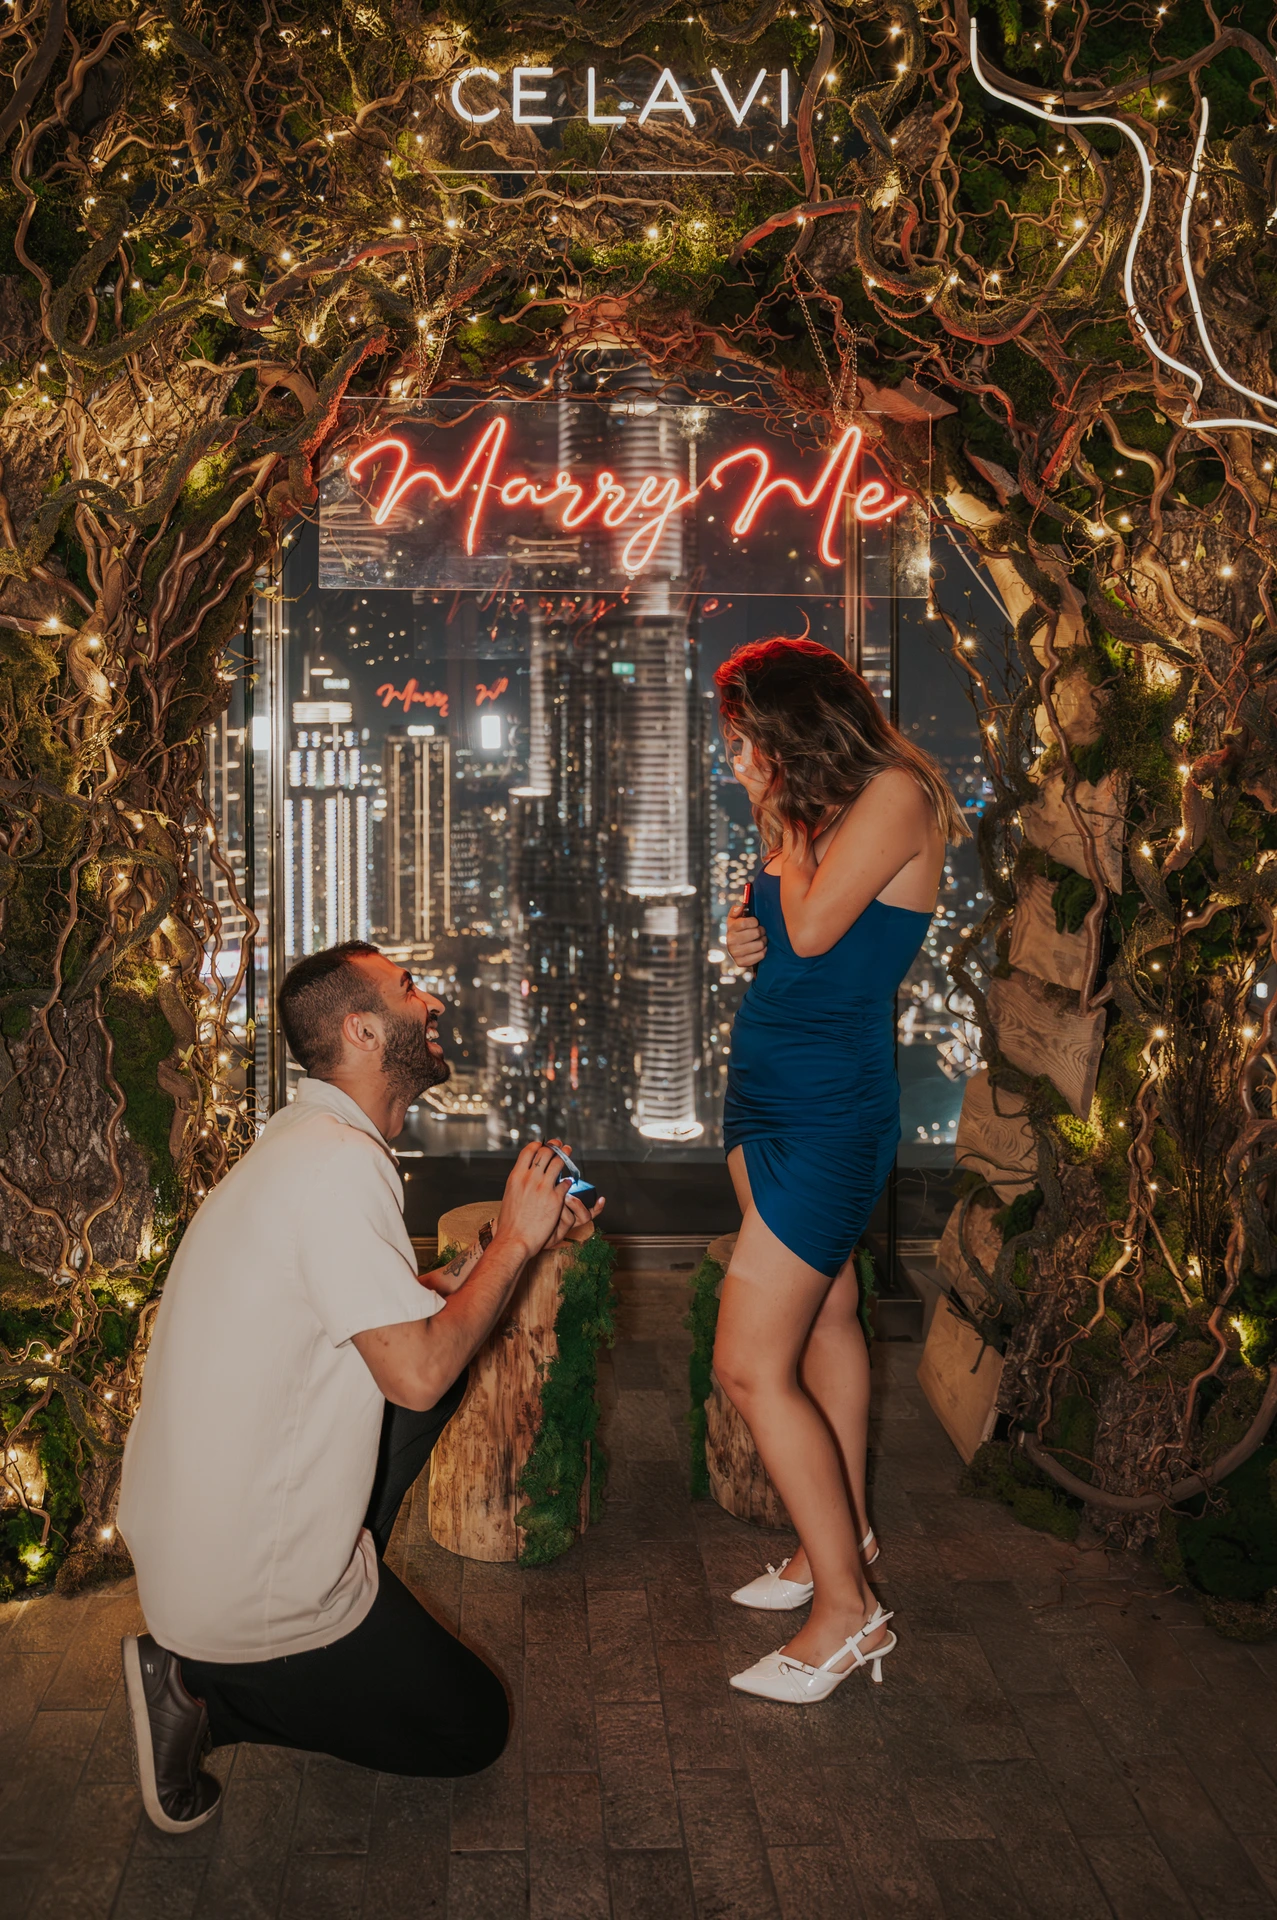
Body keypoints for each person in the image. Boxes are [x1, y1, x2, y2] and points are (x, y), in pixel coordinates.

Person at [117, 940, 602, 1834]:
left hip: (190, 1538)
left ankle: (270, 1627)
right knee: (471, 1731)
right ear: (363, 1030)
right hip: (242, 1584)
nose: (435, 1003)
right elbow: (415, 1375)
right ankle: (201, 1693)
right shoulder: (340, 1166)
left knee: (451, 1359)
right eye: (412, 989)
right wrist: (517, 1244)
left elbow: (348, 1317)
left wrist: (471, 1271)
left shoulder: (305, 1144)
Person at [715, 638, 967, 1704]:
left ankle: (846, 1614)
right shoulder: (818, 814)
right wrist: (740, 934)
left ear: (797, 731)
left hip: (828, 1112)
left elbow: (814, 930)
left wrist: (775, 818)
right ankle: (841, 1542)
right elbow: (771, 931)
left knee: (746, 1364)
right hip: (767, 1093)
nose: (736, 761)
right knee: (825, 1318)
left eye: (747, 743)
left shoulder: (895, 795)